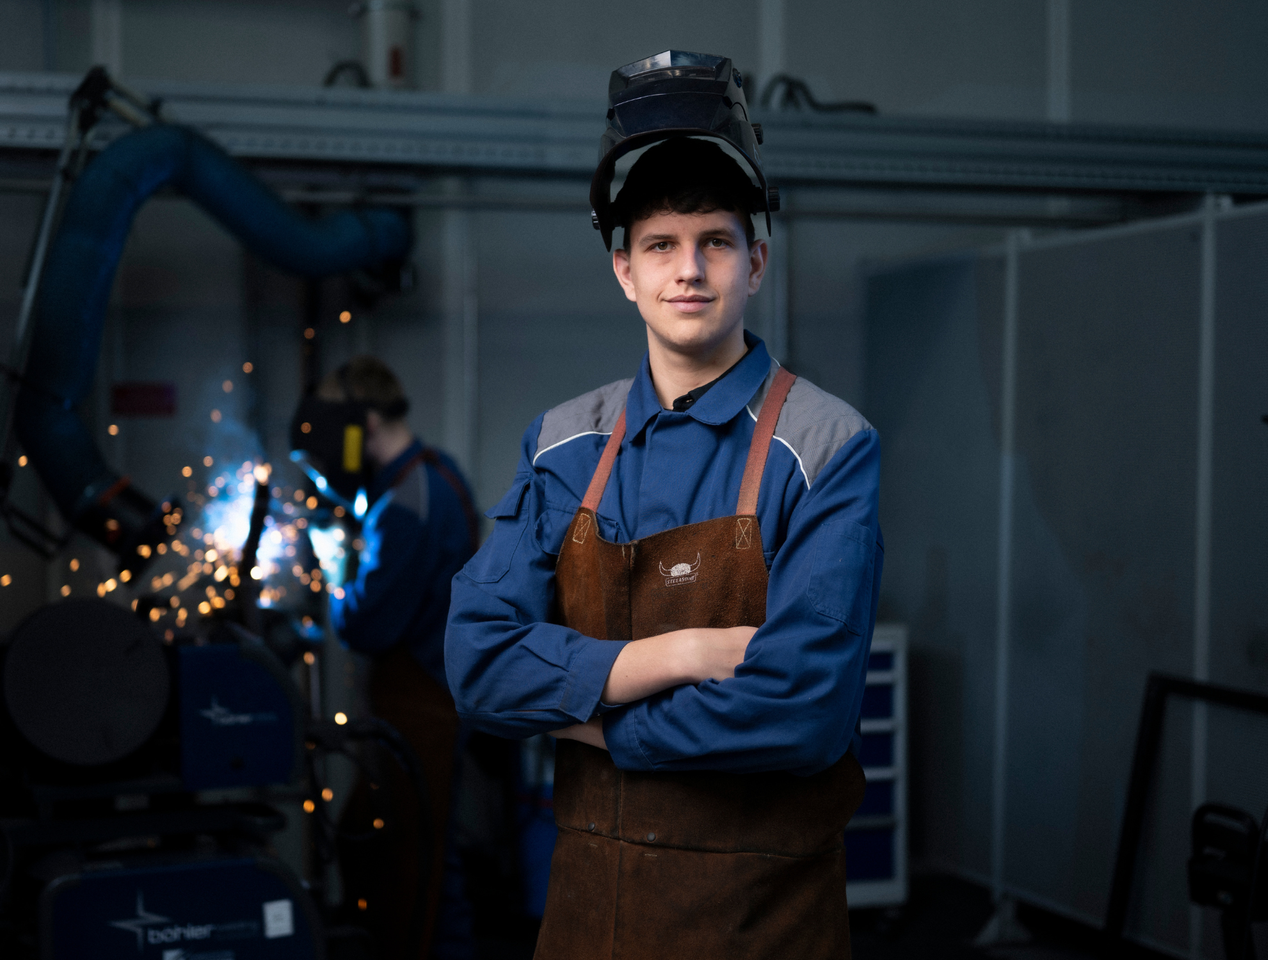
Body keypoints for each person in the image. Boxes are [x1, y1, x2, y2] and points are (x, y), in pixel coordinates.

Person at [444, 51, 883, 960]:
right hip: (586, 916)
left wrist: (583, 717)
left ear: (755, 262)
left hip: (763, 919)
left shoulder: (828, 442)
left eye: (715, 242)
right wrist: (678, 654)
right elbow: (476, 661)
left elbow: (801, 710)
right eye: (660, 246)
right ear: (624, 272)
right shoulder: (564, 443)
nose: (689, 270)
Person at [297, 356, 477, 960]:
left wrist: (333, 568)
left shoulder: (405, 504)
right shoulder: (433, 473)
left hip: (423, 704)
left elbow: (368, 626)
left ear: (364, 424)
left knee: (416, 869)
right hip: (426, 699)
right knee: (381, 845)